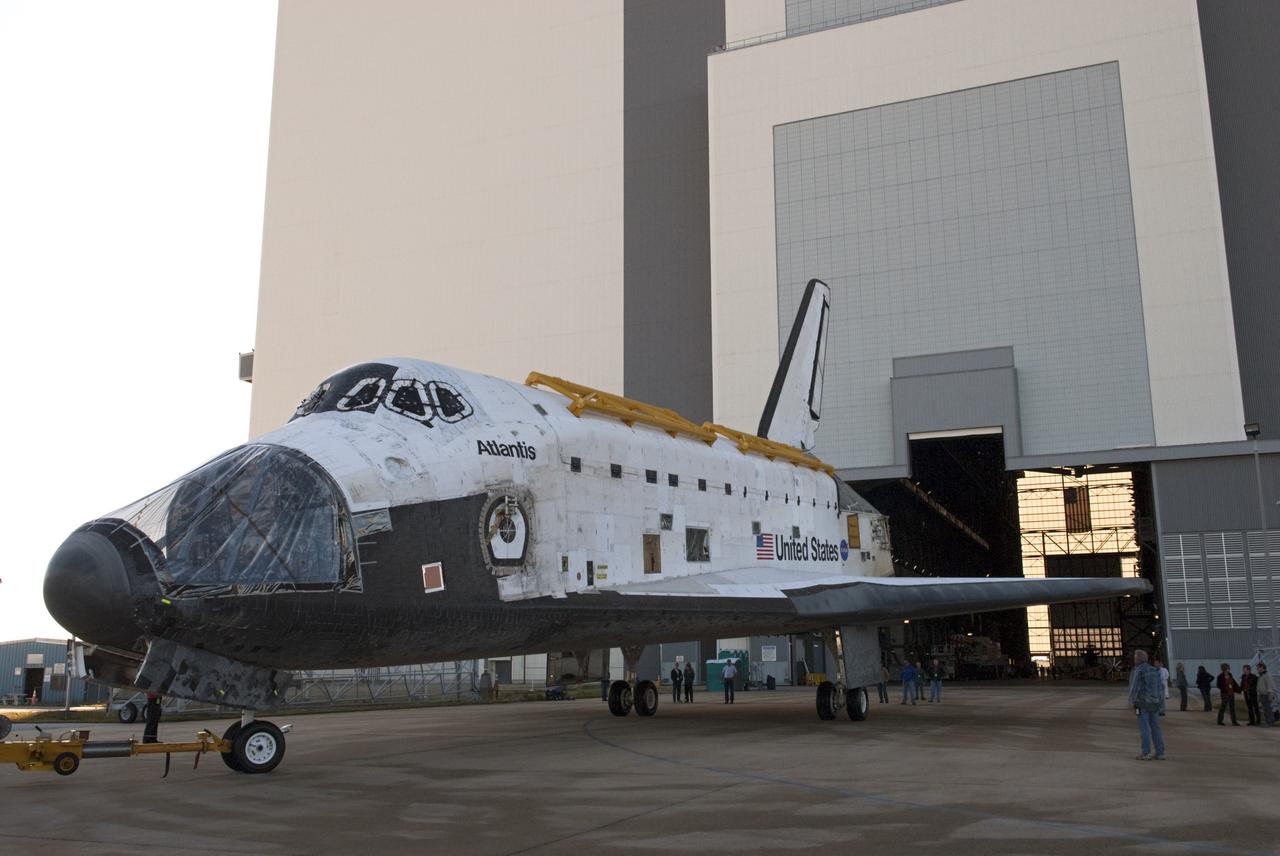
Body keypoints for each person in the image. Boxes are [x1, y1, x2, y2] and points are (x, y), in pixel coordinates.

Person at [1127, 650, 1165, 760]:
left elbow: (1134, 687)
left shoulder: (1138, 670)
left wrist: (1131, 701)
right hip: (1155, 703)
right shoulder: (1155, 670)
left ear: (1137, 658)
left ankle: (1146, 752)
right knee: (1156, 727)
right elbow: (1160, 688)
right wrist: (1161, 703)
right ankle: (1160, 752)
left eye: (1135, 657)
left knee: (1144, 727)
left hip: (1142, 703)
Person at [1256, 662, 1275, 727]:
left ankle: (1269, 722)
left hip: (1267, 695)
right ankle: (1268, 721)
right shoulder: (1261, 675)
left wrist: (1270, 695)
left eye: (1258, 668)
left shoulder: (1267, 675)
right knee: (1265, 709)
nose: (1257, 669)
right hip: (1262, 695)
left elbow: (1269, 685)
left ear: (1262, 668)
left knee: (1268, 709)